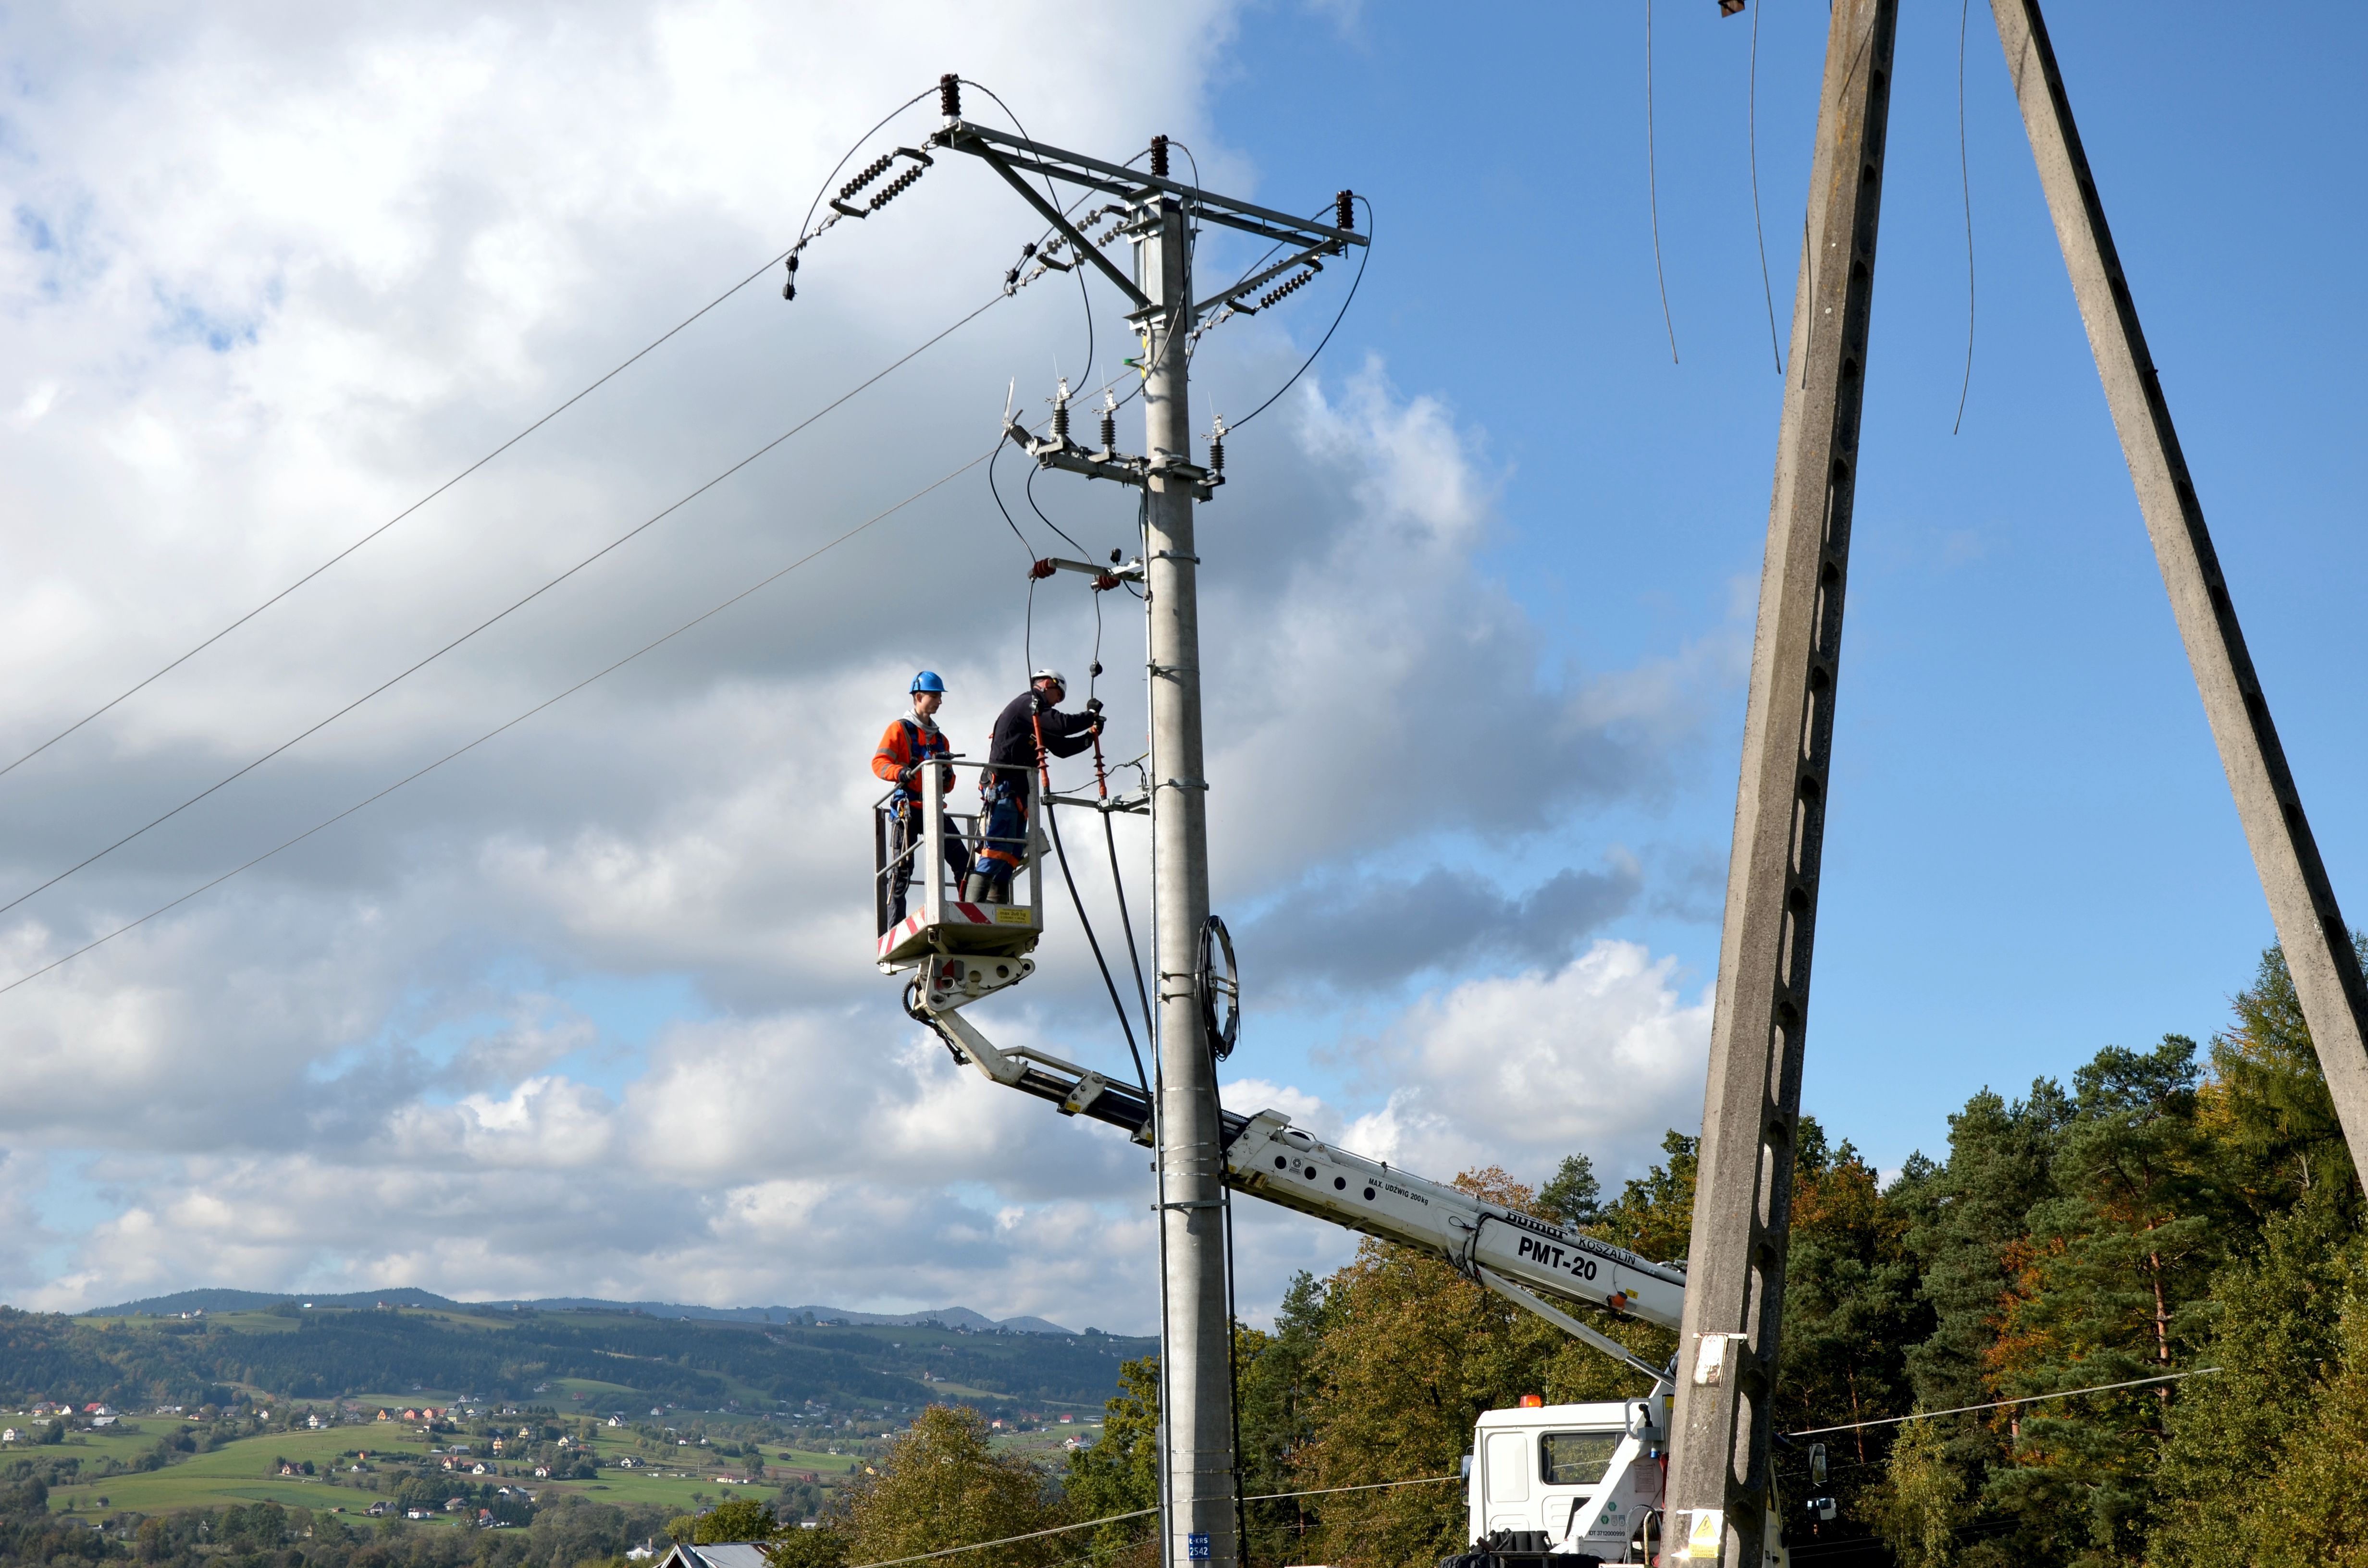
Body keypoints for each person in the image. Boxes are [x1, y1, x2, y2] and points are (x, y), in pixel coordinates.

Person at [964, 668, 1102, 903]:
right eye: (1058, 696)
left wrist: (1090, 736)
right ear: (1047, 684)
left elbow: (1062, 747)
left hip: (1019, 792)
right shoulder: (1027, 705)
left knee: (1012, 854)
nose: (1056, 702)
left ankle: (995, 906)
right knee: (998, 848)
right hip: (1005, 787)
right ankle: (972, 907)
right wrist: (1089, 715)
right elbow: (1062, 725)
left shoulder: (1036, 719)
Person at [873, 671, 971, 930]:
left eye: (940, 696)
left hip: (933, 808)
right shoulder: (899, 730)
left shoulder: (941, 739)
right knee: (902, 870)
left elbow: (949, 786)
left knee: (962, 861)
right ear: (919, 697)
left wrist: (947, 774)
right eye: (935, 696)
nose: (940, 701)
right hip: (907, 810)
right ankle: (896, 926)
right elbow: (879, 763)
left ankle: (970, 912)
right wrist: (900, 772)